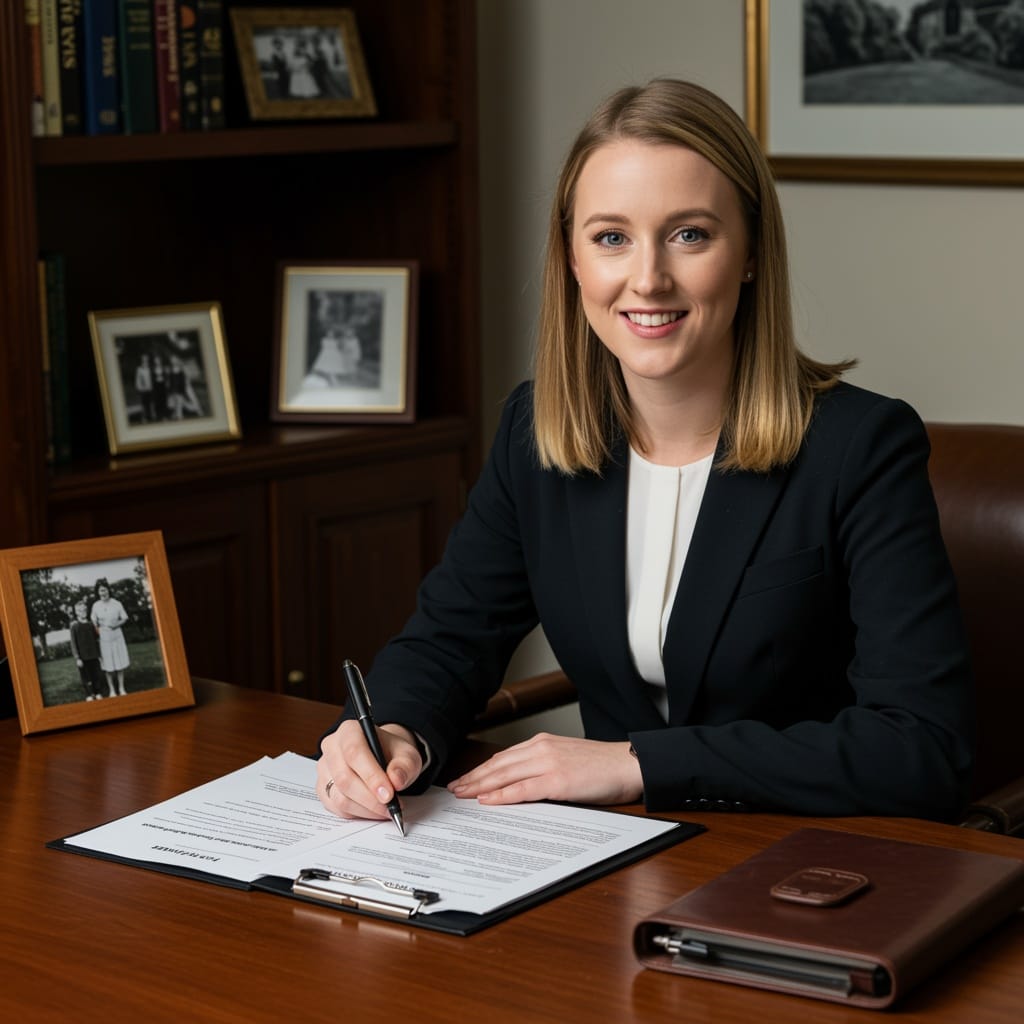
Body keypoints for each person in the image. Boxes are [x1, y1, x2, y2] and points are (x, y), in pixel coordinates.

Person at [317, 79, 973, 826]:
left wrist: (638, 763)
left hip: (804, 870)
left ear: (751, 253)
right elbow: (449, 639)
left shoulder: (860, 449)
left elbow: (921, 748)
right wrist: (393, 731)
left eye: (690, 234)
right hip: (613, 867)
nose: (648, 278)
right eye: (611, 237)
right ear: (572, 258)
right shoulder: (537, 431)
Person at [91, 580, 130, 697]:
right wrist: (97, 630)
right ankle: (112, 690)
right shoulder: (96, 605)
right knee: (108, 666)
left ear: (108, 590)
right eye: (100, 590)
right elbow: (93, 621)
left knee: (119, 663)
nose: (103, 593)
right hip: (104, 638)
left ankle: (121, 688)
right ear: (98, 592)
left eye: (105, 589)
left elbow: (124, 618)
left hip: (117, 636)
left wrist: (116, 624)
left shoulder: (116, 603)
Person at [69, 601, 105, 701]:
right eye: (80, 610)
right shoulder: (74, 626)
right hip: (83, 657)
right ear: (76, 612)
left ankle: (97, 692)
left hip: (93, 655)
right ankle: (89, 694)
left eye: (84, 610)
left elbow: (96, 639)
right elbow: (73, 643)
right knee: (86, 677)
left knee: (96, 675)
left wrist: (99, 655)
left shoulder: (90, 624)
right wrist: (77, 658)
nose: (83, 612)